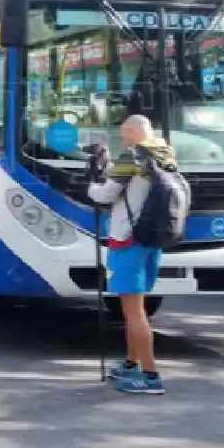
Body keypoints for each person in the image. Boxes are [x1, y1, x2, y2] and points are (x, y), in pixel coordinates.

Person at [87, 114, 179, 395]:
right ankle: (131, 363)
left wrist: (91, 184)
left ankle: (151, 376)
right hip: (150, 238)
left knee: (134, 310)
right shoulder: (164, 154)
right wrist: (109, 165)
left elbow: (105, 194)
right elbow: (134, 183)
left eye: (126, 131)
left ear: (135, 131)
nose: (123, 137)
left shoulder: (133, 156)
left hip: (127, 239)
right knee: (134, 307)